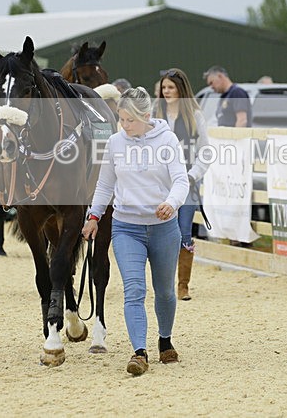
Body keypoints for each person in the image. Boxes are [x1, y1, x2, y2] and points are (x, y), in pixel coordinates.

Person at [82, 86, 189, 376]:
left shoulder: (167, 140)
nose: (125, 125)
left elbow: (181, 180)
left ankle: (165, 339)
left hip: (164, 228)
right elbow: (105, 184)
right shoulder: (115, 143)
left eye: (130, 120)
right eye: (121, 119)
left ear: (146, 116)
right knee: (134, 289)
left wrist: (171, 203)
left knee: (164, 291)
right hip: (126, 227)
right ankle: (139, 352)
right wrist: (94, 216)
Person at [154, 68, 210, 301]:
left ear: (181, 89)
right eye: (164, 88)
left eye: (171, 87)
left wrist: (192, 176)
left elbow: (205, 152)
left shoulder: (194, 116)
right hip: (158, 183)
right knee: (161, 233)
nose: (167, 92)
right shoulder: (155, 114)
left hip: (186, 182)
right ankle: (164, 283)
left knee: (184, 231)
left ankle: (182, 285)